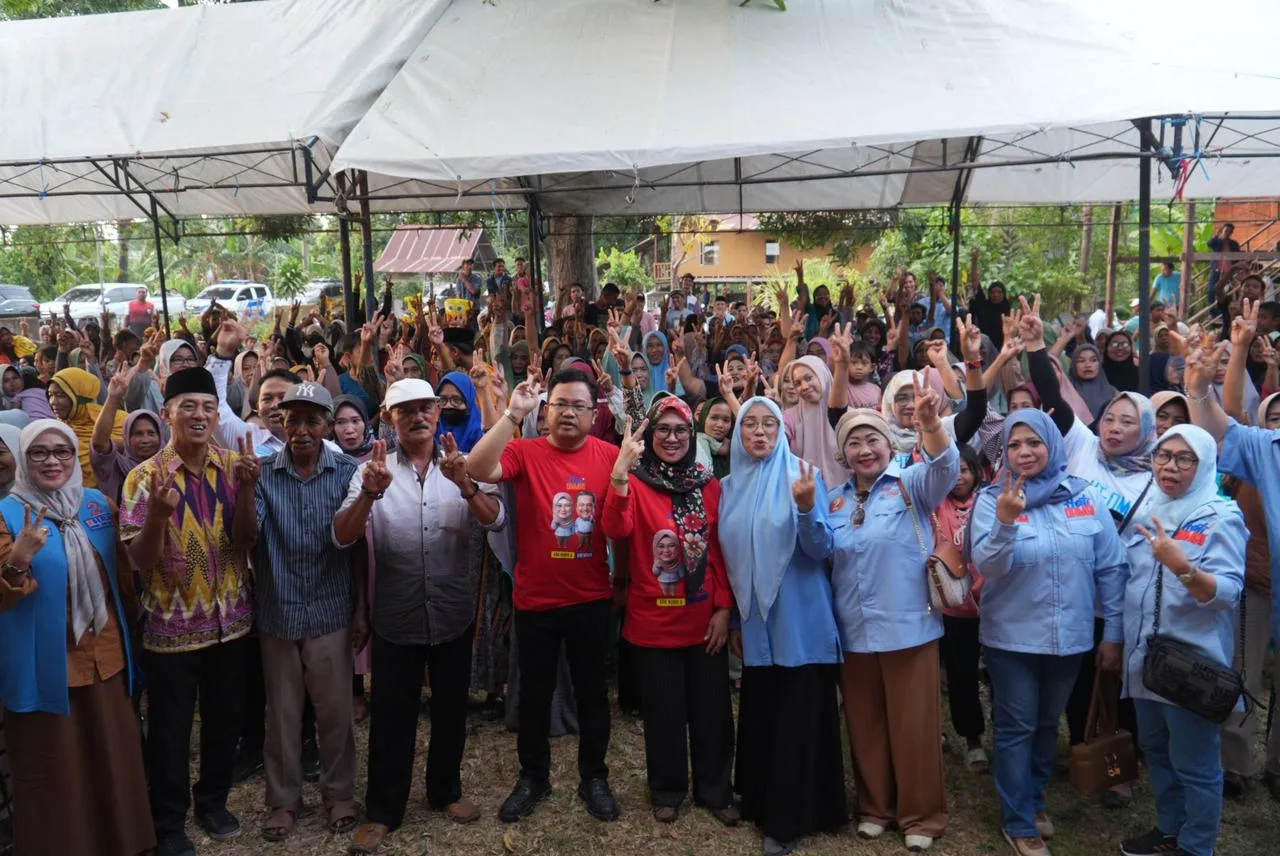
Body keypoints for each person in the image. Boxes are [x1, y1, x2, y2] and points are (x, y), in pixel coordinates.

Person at [970, 409, 1128, 856]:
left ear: (1052, 446)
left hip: (1070, 636)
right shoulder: (991, 499)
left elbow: (1112, 567)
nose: (1024, 452)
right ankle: (1019, 819)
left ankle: (1035, 799)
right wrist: (1004, 520)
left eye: (1033, 443)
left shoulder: (1082, 496)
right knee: (1017, 726)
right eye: (1014, 445)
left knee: (1046, 724)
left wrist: (1112, 632)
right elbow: (987, 567)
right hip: (1012, 638)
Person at [467, 366, 621, 822]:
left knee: (593, 694)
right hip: (535, 602)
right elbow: (477, 469)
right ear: (546, 410)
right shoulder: (525, 451)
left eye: (578, 405)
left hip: (591, 599)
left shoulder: (611, 456)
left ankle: (594, 776)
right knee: (534, 695)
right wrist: (513, 413)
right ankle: (534, 776)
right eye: (560, 404)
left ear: (594, 415)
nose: (568, 413)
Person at [120, 367, 260, 856]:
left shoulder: (233, 464)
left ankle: (214, 803)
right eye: (188, 407)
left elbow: (246, 541)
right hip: (170, 629)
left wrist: (246, 489)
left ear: (217, 414)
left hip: (232, 622)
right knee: (171, 733)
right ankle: (169, 824)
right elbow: (139, 561)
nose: (199, 415)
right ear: (167, 414)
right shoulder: (143, 477)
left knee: (226, 720)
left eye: (207, 407)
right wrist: (158, 515)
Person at [0, 420, 154, 856]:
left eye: (63, 451)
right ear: (24, 460)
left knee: (113, 755)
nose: (53, 461)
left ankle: (125, 843)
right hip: (45, 665)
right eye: (40, 453)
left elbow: (125, 573)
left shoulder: (95, 505)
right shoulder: (8, 515)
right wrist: (17, 559)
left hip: (106, 655)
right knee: (59, 766)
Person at [821, 388, 959, 852]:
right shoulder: (834, 501)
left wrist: (930, 424)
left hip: (908, 628)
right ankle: (875, 807)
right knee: (865, 724)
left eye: (872, 440)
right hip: (853, 631)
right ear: (843, 453)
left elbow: (946, 468)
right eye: (854, 443)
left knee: (913, 727)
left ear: (888, 444)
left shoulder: (911, 483)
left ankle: (921, 814)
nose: (864, 450)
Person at [719, 396, 846, 856]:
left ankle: (789, 818)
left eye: (767, 425)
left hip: (800, 622)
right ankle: (755, 799)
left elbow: (822, 550)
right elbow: (732, 563)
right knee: (761, 714)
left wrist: (810, 508)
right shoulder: (730, 487)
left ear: (781, 432)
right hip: (756, 626)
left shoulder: (803, 477)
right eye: (748, 424)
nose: (758, 432)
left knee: (797, 719)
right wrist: (735, 616)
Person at [603, 396, 738, 825]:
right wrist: (620, 474)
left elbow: (719, 551)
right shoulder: (636, 482)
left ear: (691, 433)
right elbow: (614, 528)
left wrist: (723, 609)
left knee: (713, 710)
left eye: (680, 430)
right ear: (651, 435)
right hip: (653, 621)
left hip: (703, 621)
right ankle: (667, 788)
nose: (673, 438)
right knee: (663, 713)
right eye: (663, 430)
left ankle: (715, 791)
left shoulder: (708, 483)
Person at [1115, 424, 1245, 856]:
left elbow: (1226, 594)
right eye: (1163, 455)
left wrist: (1183, 567)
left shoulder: (1220, 515)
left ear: (1204, 464)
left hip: (1190, 666)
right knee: (1155, 749)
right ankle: (1169, 829)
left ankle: (1195, 846)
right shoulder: (1148, 509)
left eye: (1184, 458)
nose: (1170, 466)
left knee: (1196, 764)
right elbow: (1127, 581)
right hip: (1143, 659)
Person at [250, 381, 363, 842]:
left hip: (330, 608)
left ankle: (339, 794)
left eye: (311, 420)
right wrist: (240, 490)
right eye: (291, 418)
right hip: (278, 611)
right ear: (280, 421)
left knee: (335, 711)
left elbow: (357, 548)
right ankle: (283, 799)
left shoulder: (345, 470)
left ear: (326, 425)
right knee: (281, 713)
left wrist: (361, 609)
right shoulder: (259, 472)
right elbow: (246, 537)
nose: (300, 429)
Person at [939, 444, 992, 771]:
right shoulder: (932, 503)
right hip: (943, 605)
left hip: (982, 605)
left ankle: (986, 736)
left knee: (977, 674)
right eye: (950, 469)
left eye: (964, 469)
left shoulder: (987, 503)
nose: (958, 477)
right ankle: (952, 734)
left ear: (976, 471)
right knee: (946, 675)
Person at [47, 367, 125, 489]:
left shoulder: (119, 420)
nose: (53, 402)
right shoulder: (55, 430)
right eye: (50, 395)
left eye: (60, 395)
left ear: (78, 396)